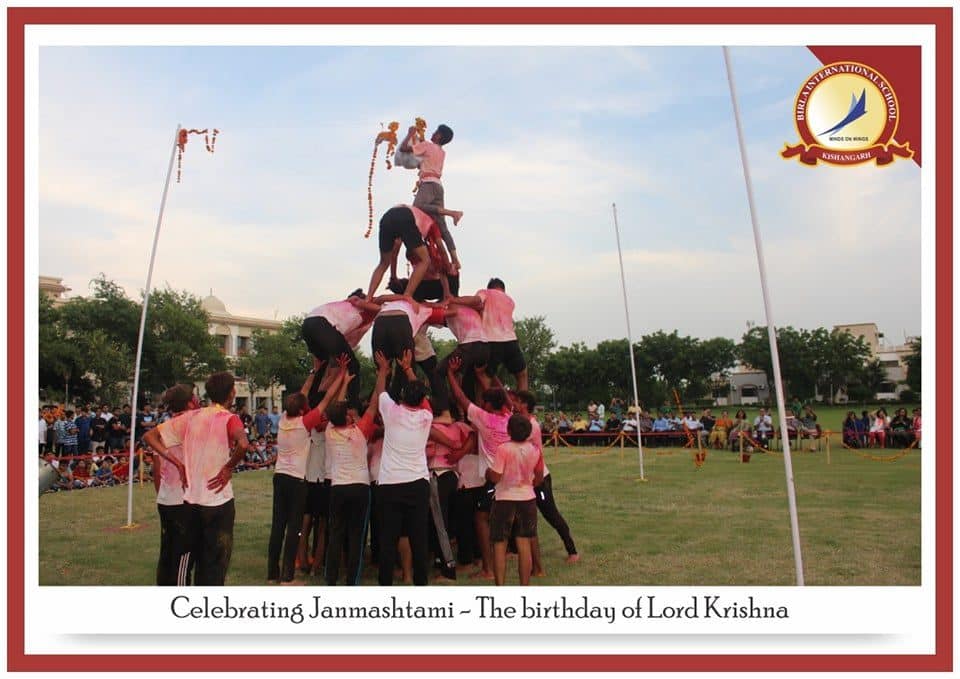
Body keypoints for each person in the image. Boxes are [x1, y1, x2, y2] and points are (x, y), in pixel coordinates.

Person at [146, 372, 250, 586]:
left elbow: (150, 436)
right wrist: (229, 467)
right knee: (215, 562)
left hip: (192, 500)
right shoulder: (229, 418)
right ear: (232, 392)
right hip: (218, 500)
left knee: (191, 556)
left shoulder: (192, 417)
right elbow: (243, 444)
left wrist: (176, 462)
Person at [264, 358, 346, 584]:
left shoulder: (283, 419)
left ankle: (272, 573)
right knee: (294, 527)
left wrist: (314, 371)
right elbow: (327, 400)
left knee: (278, 526)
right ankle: (287, 575)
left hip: (279, 477)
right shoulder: (304, 423)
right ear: (302, 409)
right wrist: (341, 375)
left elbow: (303, 392)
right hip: (297, 481)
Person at [376, 350, 450, 586]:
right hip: (418, 484)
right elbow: (423, 397)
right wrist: (409, 369)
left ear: (402, 398)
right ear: (421, 401)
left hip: (390, 484)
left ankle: (385, 584)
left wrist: (384, 371)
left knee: (388, 539)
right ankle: (421, 584)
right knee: (419, 538)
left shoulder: (391, 412)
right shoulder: (426, 417)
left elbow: (380, 393)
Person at [323, 352, 390, 586]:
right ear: (347, 416)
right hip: (360, 488)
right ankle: (352, 581)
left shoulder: (330, 432)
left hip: (338, 488)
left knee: (335, 535)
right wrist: (382, 372)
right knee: (356, 537)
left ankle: (331, 580)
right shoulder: (360, 431)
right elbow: (375, 402)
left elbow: (336, 406)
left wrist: (343, 380)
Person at [445, 355, 512, 580]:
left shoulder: (484, 419)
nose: (481, 403)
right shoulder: (509, 418)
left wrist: (450, 374)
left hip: (493, 480)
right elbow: (500, 398)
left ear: (489, 405)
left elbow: (460, 397)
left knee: (482, 520)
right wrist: (483, 376)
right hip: (510, 479)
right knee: (500, 521)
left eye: (484, 401)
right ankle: (501, 561)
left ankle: (488, 569)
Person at [513, 391, 578, 571]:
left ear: (525, 404)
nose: (514, 404)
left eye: (517, 401)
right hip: (527, 479)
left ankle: (572, 551)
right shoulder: (522, 422)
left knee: (551, 514)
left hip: (539, 478)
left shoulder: (531, 426)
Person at [143, 384, 199, 586]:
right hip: (183, 500)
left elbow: (157, 469)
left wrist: (162, 494)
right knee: (184, 556)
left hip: (166, 499)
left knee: (167, 553)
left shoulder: (165, 427)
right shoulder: (190, 425)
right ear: (190, 402)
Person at [486, 414, 544, 586]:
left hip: (504, 498)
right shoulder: (535, 450)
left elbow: (496, 477)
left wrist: (488, 473)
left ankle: (500, 587)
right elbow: (539, 477)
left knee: (499, 544)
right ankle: (524, 586)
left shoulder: (503, 449)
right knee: (524, 544)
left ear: (509, 430)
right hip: (527, 498)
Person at [398, 122, 464, 272]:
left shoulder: (427, 146)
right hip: (438, 186)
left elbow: (403, 148)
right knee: (442, 227)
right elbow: (424, 161)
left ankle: (452, 212)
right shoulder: (441, 152)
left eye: (435, 132)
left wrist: (410, 134)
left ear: (439, 136)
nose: (432, 133)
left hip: (428, 184)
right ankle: (455, 259)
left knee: (417, 208)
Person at [301, 290, 376, 407]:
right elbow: (382, 303)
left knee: (322, 365)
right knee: (353, 365)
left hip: (307, 325)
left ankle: (312, 402)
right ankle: (353, 407)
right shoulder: (362, 306)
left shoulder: (344, 306)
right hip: (323, 325)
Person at [449, 278, 527, 391]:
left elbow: (476, 301)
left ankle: (483, 402)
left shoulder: (486, 292)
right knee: (522, 375)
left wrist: (454, 300)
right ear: (503, 289)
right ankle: (523, 401)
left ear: (490, 287)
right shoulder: (510, 301)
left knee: (484, 378)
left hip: (491, 341)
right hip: (511, 341)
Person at [365, 204, 450, 303]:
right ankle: (407, 295)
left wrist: (393, 276)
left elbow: (395, 251)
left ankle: (368, 298)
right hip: (405, 215)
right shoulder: (432, 224)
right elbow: (441, 248)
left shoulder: (417, 217)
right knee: (425, 260)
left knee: (383, 263)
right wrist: (448, 265)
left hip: (387, 217)